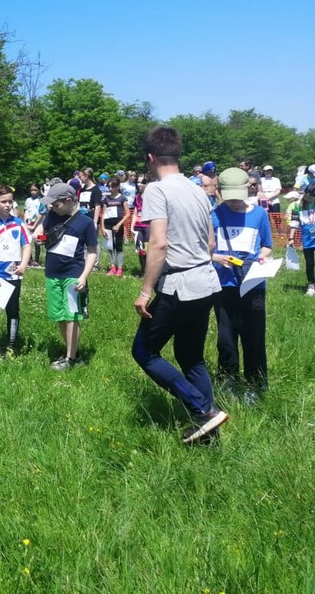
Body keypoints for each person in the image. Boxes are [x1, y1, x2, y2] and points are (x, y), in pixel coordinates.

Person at [131, 127, 227, 445]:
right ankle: (208, 431)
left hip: (179, 285)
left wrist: (145, 291)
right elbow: (210, 243)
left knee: (144, 351)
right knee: (191, 357)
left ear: (150, 157)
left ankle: (203, 410)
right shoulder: (197, 189)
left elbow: (158, 244)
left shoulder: (157, 191)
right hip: (206, 282)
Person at [211, 168, 273, 403]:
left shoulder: (259, 215)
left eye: (238, 196)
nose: (234, 202)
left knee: (254, 336)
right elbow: (204, 249)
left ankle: (256, 384)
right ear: (220, 192)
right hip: (224, 284)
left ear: (248, 189)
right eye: (230, 197)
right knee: (226, 337)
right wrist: (217, 258)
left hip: (253, 283)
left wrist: (262, 257)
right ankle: (228, 379)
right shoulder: (214, 215)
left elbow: (267, 246)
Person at [34, 183, 97, 370]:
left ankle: (70, 359)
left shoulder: (85, 223)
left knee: (71, 316)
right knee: (60, 316)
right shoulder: (52, 216)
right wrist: (38, 236)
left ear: (69, 200)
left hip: (73, 276)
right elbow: (39, 231)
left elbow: (92, 251)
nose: (53, 208)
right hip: (52, 274)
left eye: (56, 204)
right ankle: (72, 351)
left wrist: (84, 276)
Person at [0, 185, 31, 355]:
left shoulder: (18, 223)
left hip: (13, 275)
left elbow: (26, 245)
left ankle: (11, 345)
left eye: (10, 201)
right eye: (3, 202)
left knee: (13, 310)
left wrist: (23, 265)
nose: (8, 205)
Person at [285, 182, 315, 296]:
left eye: (311, 196)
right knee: (310, 263)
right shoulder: (298, 205)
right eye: (307, 194)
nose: (308, 197)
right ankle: (311, 285)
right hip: (307, 239)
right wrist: (291, 238)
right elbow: (295, 222)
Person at [100, 177, 131, 277]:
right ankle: (112, 267)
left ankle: (120, 268)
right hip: (108, 225)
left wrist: (119, 225)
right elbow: (103, 213)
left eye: (112, 187)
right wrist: (102, 227)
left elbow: (128, 213)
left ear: (117, 186)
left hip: (118, 225)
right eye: (109, 187)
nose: (110, 189)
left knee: (118, 246)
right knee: (110, 246)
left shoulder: (122, 198)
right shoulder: (106, 199)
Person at [130, 177, 151, 276]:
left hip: (148, 226)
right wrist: (132, 227)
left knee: (148, 249)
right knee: (140, 249)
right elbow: (135, 213)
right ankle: (143, 271)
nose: (139, 184)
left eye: (142, 182)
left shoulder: (151, 196)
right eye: (138, 182)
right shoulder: (137, 196)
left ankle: (150, 271)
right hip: (138, 226)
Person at [23, 183, 45, 268]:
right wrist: (25, 223)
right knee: (28, 241)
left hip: (38, 224)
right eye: (31, 190)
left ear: (39, 190)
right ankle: (30, 259)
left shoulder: (41, 200)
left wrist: (34, 225)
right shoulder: (28, 200)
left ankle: (37, 260)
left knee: (38, 241)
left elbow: (41, 214)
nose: (33, 192)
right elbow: (25, 211)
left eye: (35, 190)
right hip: (28, 224)